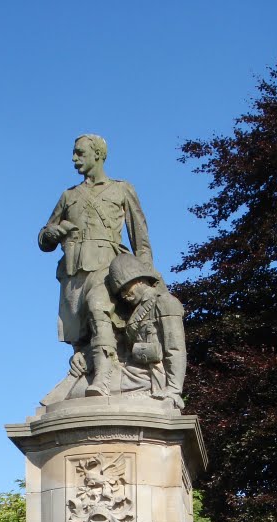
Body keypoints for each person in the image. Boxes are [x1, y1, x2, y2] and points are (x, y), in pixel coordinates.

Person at [38, 134, 154, 396]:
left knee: (98, 307)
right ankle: (85, 366)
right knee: (81, 334)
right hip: (73, 271)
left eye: (80, 153)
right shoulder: (69, 196)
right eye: (74, 153)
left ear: (98, 154)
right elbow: (44, 239)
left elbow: (140, 237)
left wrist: (148, 278)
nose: (74, 159)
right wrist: (54, 233)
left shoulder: (121, 189)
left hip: (108, 267)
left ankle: (103, 377)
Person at [107, 252, 186, 410]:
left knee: (103, 387)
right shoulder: (136, 311)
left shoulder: (165, 302)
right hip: (134, 371)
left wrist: (173, 390)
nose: (123, 295)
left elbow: (175, 349)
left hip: (150, 376)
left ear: (137, 280)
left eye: (124, 288)